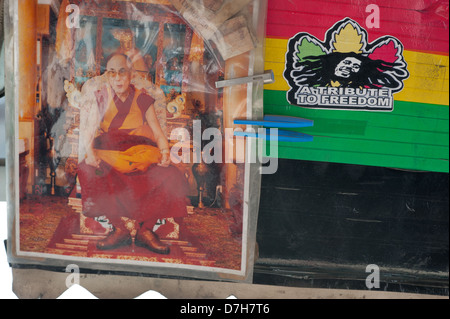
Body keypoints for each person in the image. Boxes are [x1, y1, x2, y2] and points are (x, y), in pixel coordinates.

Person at [77, 53, 189, 255]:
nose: (118, 79)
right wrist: (90, 152)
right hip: (109, 152)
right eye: (112, 73)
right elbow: (89, 129)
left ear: (130, 75)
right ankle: (118, 228)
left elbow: (157, 131)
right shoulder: (100, 96)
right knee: (87, 170)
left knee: (171, 175)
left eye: (122, 73)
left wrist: (164, 153)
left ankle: (146, 231)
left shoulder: (142, 98)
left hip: (140, 152)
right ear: (108, 76)